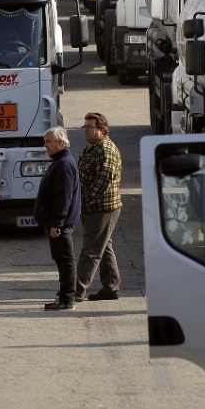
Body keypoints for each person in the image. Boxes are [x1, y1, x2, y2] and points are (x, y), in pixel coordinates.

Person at [74, 113, 123, 302]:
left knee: (91, 251)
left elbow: (102, 182)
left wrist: (81, 201)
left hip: (102, 209)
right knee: (104, 247)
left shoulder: (106, 150)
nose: (85, 130)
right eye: (84, 126)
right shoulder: (93, 147)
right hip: (93, 208)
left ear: (102, 130)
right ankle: (111, 286)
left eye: (90, 127)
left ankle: (76, 291)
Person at [34, 126, 80, 311]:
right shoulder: (59, 161)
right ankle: (64, 295)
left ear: (61, 143)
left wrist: (57, 224)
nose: (45, 146)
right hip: (56, 223)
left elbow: (64, 198)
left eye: (48, 142)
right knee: (61, 260)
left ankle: (68, 299)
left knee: (66, 260)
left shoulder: (63, 165)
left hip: (60, 225)